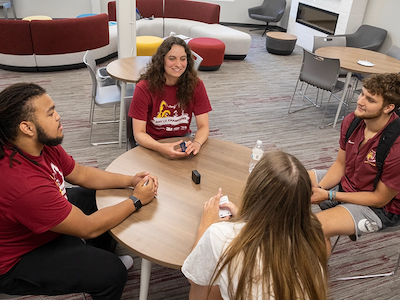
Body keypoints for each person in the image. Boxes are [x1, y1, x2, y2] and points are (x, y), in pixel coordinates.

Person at [0, 83, 159, 299]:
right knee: (112, 273)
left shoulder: (42, 143)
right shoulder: (25, 185)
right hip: (18, 259)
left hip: (38, 222)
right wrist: (136, 200)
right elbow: (88, 228)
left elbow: (82, 174)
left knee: (92, 197)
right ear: (27, 128)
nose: (58, 117)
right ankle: (101, 270)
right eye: (50, 113)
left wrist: (129, 180)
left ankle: (98, 256)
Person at [182, 151, 328, 300]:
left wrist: (205, 224)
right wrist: (246, 218)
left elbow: (193, 276)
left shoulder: (219, 235)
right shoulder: (314, 232)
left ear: (252, 189)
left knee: (202, 285)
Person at [309, 73, 400, 256]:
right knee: (288, 181)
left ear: (388, 107)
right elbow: (340, 164)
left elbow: (379, 198)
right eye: (362, 94)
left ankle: (311, 282)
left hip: (381, 207)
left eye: (370, 100)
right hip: (349, 182)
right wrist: (317, 189)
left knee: (312, 229)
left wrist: (329, 195)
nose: (360, 101)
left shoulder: (396, 147)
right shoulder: (352, 120)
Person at [128, 36, 212, 159]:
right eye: (172, 59)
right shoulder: (144, 88)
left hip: (181, 142)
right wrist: (160, 147)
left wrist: (197, 143)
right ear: (162, 60)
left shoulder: (196, 85)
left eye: (183, 59)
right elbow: (139, 133)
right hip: (152, 144)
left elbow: (204, 127)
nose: (178, 64)